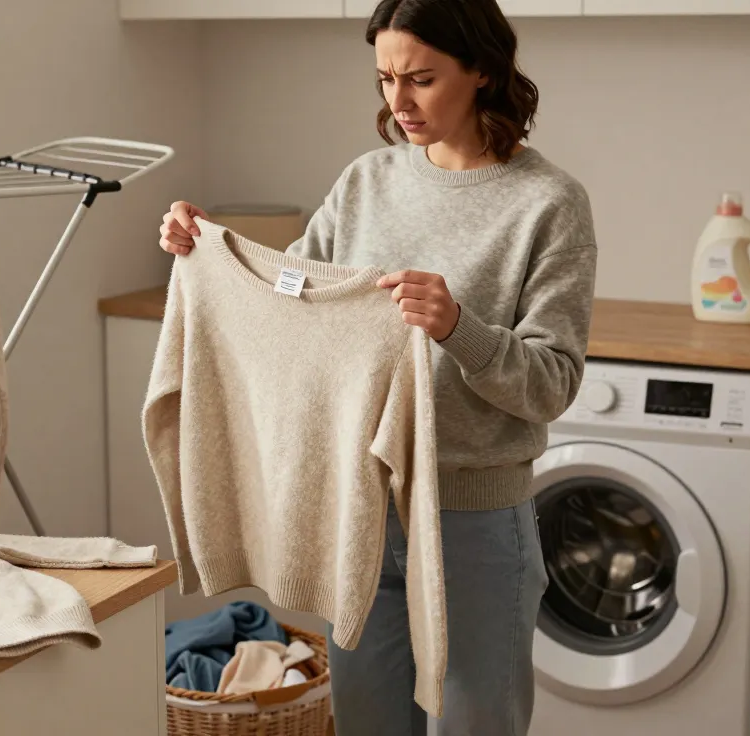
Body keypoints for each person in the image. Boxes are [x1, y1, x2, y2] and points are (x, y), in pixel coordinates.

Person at [156, 0, 597, 733]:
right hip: (358, 514)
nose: (398, 102)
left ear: (482, 70)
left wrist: (458, 327)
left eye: (421, 78)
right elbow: (296, 300)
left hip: (473, 527)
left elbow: (552, 383)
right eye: (385, 79)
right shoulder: (366, 182)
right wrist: (209, 247)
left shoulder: (548, 204)